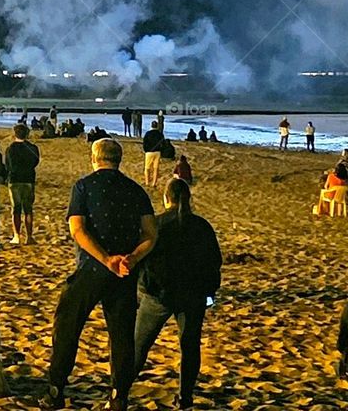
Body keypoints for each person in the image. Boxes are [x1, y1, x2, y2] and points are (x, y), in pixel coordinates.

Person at [46, 136, 157, 411]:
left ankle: (55, 389)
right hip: (124, 272)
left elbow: (78, 230)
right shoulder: (135, 190)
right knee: (121, 336)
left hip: (93, 267)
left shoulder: (83, 186)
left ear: (95, 158)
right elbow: (151, 234)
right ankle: (119, 395)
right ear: (118, 160)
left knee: (67, 326)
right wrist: (131, 257)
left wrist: (106, 259)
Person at [134, 178, 221, 411]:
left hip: (159, 294)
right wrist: (210, 293)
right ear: (188, 199)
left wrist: (142, 288)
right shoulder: (201, 226)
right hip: (192, 295)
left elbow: (144, 260)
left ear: (166, 198)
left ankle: (120, 390)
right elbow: (214, 263)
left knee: (139, 345)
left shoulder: (158, 225)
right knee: (189, 346)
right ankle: (185, 397)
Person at [4, 123, 40, 244]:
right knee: (28, 209)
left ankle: (17, 235)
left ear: (15, 134)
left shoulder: (11, 148)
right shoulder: (32, 148)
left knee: (16, 209)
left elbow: (7, 164)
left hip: (14, 180)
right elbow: (36, 161)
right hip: (28, 179)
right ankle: (29, 236)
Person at [142, 120, 164, 189]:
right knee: (155, 168)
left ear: (151, 126)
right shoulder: (160, 134)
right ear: (157, 126)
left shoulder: (148, 134)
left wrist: (146, 150)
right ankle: (154, 183)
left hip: (149, 152)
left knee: (147, 168)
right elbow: (162, 143)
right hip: (157, 152)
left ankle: (147, 182)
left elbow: (144, 143)